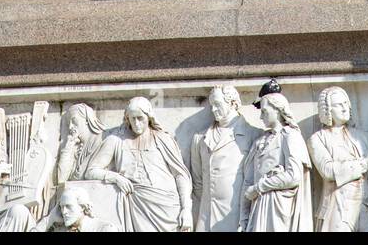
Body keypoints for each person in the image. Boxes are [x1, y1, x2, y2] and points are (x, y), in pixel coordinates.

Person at [86, 96, 193, 232]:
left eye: (140, 118)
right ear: (127, 119)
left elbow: (180, 175)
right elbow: (91, 171)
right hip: (137, 207)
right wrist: (116, 178)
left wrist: (186, 209)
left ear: (149, 117)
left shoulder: (163, 139)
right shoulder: (116, 140)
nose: (136, 123)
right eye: (132, 119)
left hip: (169, 209)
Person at [308, 86, 368, 232]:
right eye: (338, 105)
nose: (344, 108)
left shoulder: (364, 137)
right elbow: (328, 171)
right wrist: (365, 162)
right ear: (327, 111)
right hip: (338, 209)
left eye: (345, 103)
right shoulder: (317, 139)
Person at [240, 90, 313, 232]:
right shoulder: (259, 141)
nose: (261, 117)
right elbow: (248, 182)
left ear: (278, 110)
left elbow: (294, 175)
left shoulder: (290, 136)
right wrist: (243, 219)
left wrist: (259, 187)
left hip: (280, 209)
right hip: (259, 207)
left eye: (264, 111)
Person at [189, 84, 258, 232]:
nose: (213, 110)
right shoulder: (199, 138)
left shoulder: (253, 135)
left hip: (235, 216)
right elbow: (198, 183)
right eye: (211, 105)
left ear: (233, 103)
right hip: (205, 218)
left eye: (217, 105)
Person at [56, 103, 104, 184]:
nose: (71, 126)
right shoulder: (76, 148)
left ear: (87, 119)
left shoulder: (102, 139)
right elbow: (61, 179)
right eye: (69, 123)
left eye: (74, 121)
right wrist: (68, 147)